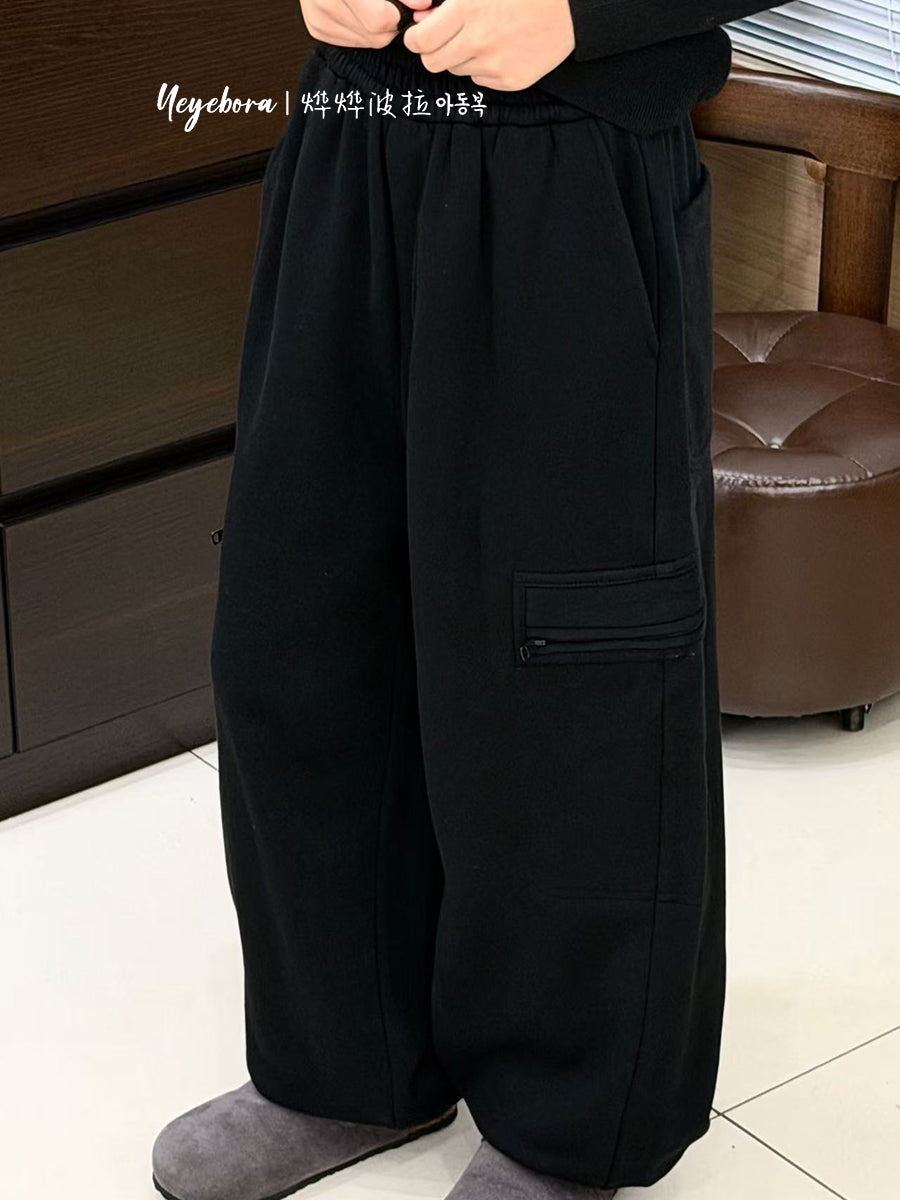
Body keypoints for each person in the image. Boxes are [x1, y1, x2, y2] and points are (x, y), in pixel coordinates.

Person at [151, 2, 772, 1198]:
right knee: (300, 621)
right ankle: (349, 1063)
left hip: (573, 158)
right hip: (353, 131)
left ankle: (570, 1122)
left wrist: (583, 13)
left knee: (565, 660)